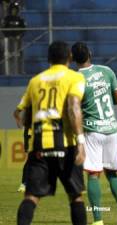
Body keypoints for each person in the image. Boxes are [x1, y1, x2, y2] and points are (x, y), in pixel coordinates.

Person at [15, 41, 87, 225]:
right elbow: (73, 107)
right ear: (69, 57)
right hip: (66, 145)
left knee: (31, 197)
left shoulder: (35, 81)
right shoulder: (74, 78)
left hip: (39, 144)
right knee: (75, 197)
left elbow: (21, 112)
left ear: (48, 58)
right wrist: (80, 141)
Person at [71, 42, 117, 225]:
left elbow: (74, 106)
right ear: (90, 53)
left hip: (93, 131)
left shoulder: (75, 78)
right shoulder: (107, 71)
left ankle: (98, 221)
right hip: (112, 129)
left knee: (93, 174)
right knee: (112, 173)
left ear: (72, 58)